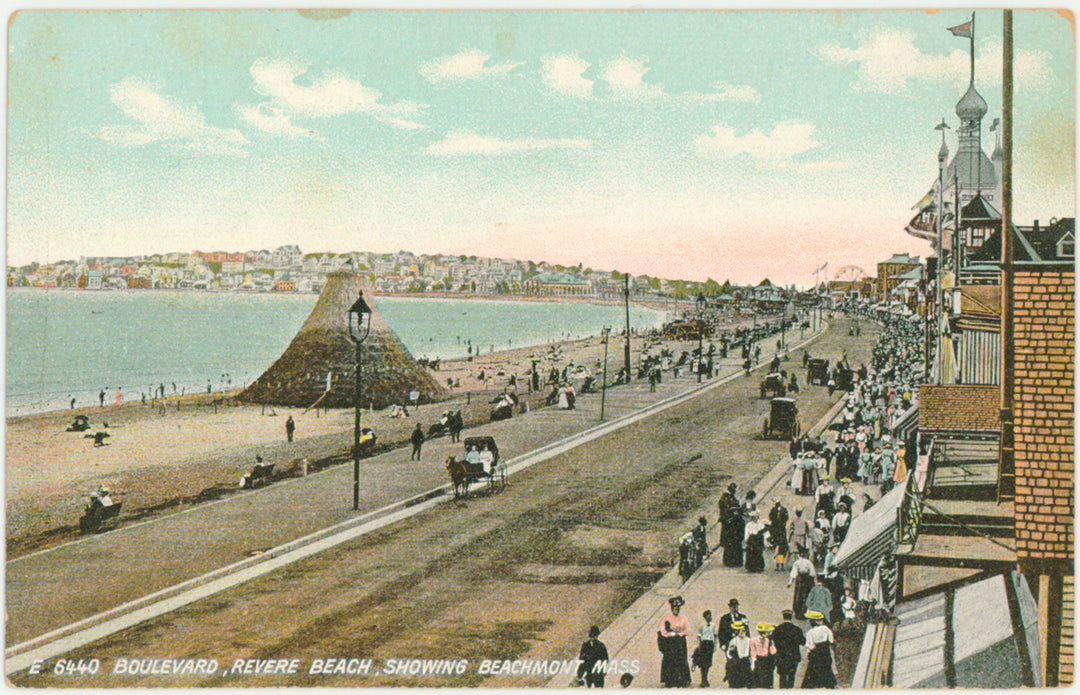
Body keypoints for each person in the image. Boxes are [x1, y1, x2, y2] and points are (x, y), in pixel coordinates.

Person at [657, 596, 691, 688]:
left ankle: (683, 679)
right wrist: (670, 634)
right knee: (670, 660)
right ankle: (669, 680)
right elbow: (662, 630)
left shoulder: (683, 618)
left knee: (681, 659)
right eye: (675, 608)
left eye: (678, 608)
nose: (676, 610)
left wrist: (680, 634)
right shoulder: (666, 618)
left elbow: (687, 629)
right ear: (672, 608)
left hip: (680, 642)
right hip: (670, 642)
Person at [800, 612, 837, 689]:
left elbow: (809, 646)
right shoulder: (826, 629)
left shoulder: (810, 632)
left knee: (812, 672)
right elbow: (831, 640)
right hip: (825, 653)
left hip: (815, 653)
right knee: (826, 670)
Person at [771, 610, 804, 689]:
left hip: (781, 656)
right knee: (791, 676)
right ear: (791, 617)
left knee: (782, 677)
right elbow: (803, 641)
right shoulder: (797, 629)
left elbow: (773, 641)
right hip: (793, 657)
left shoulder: (777, 629)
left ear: (783, 617)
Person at [787, 549, 816, 619]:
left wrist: (790, 582)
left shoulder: (797, 563)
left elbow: (794, 573)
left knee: (798, 595)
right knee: (805, 596)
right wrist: (815, 583)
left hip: (799, 580)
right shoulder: (809, 563)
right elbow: (812, 574)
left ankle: (797, 612)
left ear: (799, 555)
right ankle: (804, 612)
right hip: (807, 580)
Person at [724, 621, 753, 688]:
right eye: (740, 631)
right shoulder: (733, 641)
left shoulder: (749, 640)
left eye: (743, 631)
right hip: (737, 663)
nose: (742, 632)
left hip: (746, 662)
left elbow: (752, 653)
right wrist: (732, 657)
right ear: (736, 632)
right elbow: (728, 653)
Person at [693, 610, 716, 687]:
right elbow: (699, 636)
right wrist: (699, 646)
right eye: (708, 616)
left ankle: (706, 679)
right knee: (703, 663)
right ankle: (703, 679)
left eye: (711, 616)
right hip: (704, 644)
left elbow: (715, 636)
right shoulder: (702, 625)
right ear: (705, 617)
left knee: (708, 663)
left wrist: (714, 646)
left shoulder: (713, 625)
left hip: (710, 644)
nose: (710, 617)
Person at [750, 622, 777, 689]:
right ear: (763, 633)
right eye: (767, 633)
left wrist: (771, 644)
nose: (768, 634)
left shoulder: (768, 641)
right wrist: (753, 663)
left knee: (767, 683)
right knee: (758, 683)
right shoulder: (753, 640)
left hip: (767, 662)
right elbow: (753, 652)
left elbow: (773, 652)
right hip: (758, 661)